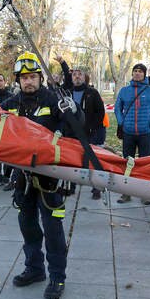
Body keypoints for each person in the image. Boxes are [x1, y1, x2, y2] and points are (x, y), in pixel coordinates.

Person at [1, 51, 70, 299]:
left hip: (50, 178)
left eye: (32, 76)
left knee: (53, 228)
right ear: (18, 80)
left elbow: (75, 128)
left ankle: (57, 277)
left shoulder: (54, 101)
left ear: (40, 77)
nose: (28, 81)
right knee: (28, 225)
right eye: (23, 78)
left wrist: (72, 113)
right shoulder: (10, 105)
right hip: (23, 178)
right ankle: (34, 268)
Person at [56, 57, 106, 200]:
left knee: (92, 160)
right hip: (70, 133)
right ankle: (70, 186)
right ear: (71, 78)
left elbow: (100, 113)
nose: (77, 76)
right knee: (71, 160)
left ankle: (96, 188)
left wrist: (92, 128)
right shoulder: (67, 92)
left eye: (80, 74)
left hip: (88, 133)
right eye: (74, 74)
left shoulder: (92, 93)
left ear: (85, 77)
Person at [114, 63, 150, 204]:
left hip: (145, 133)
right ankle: (126, 193)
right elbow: (118, 108)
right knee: (127, 163)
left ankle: (145, 194)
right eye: (135, 71)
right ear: (132, 74)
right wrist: (121, 121)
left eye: (140, 72)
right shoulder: (124, 91)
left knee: (145, 164)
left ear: (144, 74)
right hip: (128, 133)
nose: (137, 73)